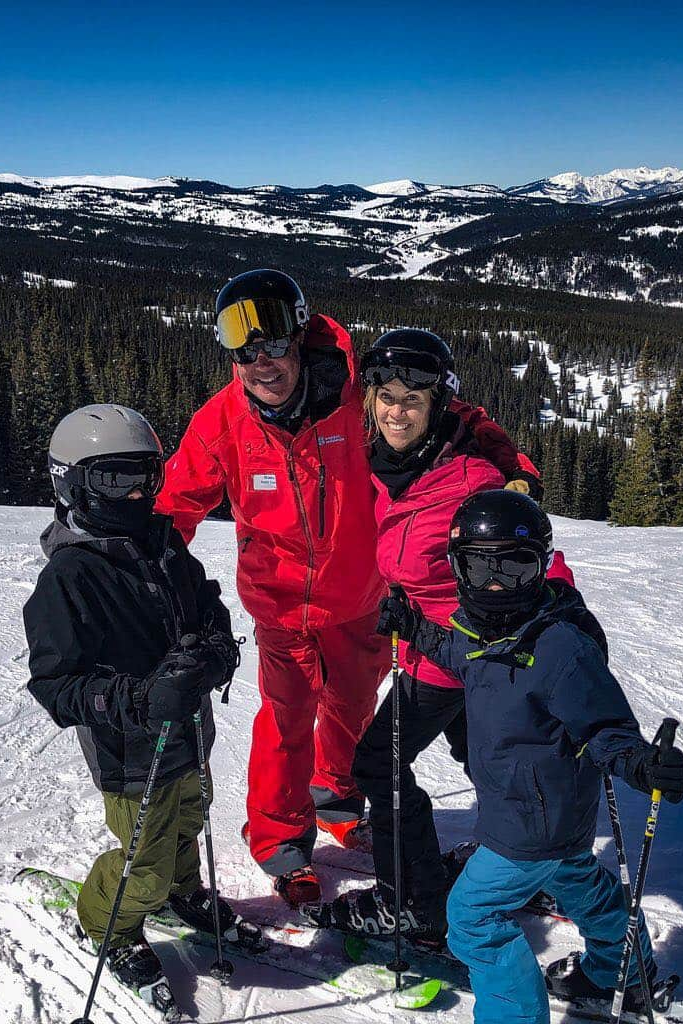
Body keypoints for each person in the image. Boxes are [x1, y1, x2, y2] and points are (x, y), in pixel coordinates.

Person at [377, 489, 683, 1024]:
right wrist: (417, 629)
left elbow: (605, 726)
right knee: (578, 880)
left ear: (541, 565)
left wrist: (640, 762)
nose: (496, 582)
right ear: (458, 567)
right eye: (479, 566)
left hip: (527, 826)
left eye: (515, 566)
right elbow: (465, 656)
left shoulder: (560, 647)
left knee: (472, 917)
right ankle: (622, 973)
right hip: (546, 815)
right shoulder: (484, 631)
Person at [304, 329, 572, 944]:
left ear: (437, 405)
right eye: (387, 396)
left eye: (413, 400)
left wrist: (563, 617)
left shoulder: (470, 478)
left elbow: (529, 552)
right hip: (423, 644)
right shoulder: (378, 459)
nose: (398, 411)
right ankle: (523, 863)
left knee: (377, 764)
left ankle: (415, 901)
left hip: (459, 652)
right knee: (483, 757)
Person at [154, 269, 392, 905]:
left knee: (354, 702)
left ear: (300, 332)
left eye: (274, 344)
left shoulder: (356, 395)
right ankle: (282, 844)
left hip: (359, 595)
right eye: (244, 348)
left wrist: (510, 476)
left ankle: (337, 797)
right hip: (281, 604)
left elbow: (441, 423)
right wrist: (126, 567)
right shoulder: (224, 420)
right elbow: (175, 504)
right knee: (287, 717)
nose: (261, 362)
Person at [24, 404, 241, 1011]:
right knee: (141, 856)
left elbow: (207, 608)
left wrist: (215, 654)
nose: (140, 492)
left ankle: (181, 889)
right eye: (117, 479)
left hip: (190, 731)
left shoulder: (163, 543)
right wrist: (141, 698)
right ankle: (109, 924)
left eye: (149, 476)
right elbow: (57, 686)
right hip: (129, 750)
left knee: (190, 818)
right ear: (74, 482)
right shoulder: (70, 577)